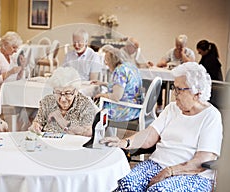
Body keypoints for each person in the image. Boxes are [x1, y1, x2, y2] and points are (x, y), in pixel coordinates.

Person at [100, 62, 223, 192]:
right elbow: (150, 135)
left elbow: (202, 161)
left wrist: (170, 171)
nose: (174, 94)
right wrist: (124, 142)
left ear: (197, 93)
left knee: (159, 190)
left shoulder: (211, 116)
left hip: (193, 175)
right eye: (174, 88)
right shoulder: (171, 108)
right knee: (127, 183)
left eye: (179, 90)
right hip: (157, 164)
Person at [29, 67, 97, 137]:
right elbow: (38, 121)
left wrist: (61, 120)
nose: (62, 99)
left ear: (76, 91)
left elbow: (89, 132)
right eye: (58, 92)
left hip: (73, 145)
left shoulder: (85, 104)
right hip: (49, 144)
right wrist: (35, 126)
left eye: (67, 93)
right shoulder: (47, 101)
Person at [92, 45, 143, 121]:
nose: (106, 64)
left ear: (112, 61)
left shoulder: (120, 71)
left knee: (94, 108)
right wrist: (103, 83)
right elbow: (123, 87)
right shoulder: (129, 66)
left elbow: (116, 97)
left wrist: (102, 95)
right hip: (136, 105)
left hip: (128, 109)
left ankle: (95, 131)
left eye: (107, 61)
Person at [149, 34, 195, 112]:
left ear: (185, 45)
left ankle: (182, 106)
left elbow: (191, 65)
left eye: (181, 46)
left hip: (183, 80)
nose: (178, 48)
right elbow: (160, 63)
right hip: (171, 76)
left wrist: (183, 54)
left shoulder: (189, 53)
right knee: (159, 83)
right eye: (177, 45)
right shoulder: (171, 52)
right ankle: (160, 105)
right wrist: (165, 63)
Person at [0, 31, 25, 103]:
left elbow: (17, 79)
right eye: (14, 47)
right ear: (5, 45)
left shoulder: (12, 57)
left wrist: (22, 67)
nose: (16, 50)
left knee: (29, 99)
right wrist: (10, 72)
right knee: (21, 102)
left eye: (17, 48)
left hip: (9, 92)